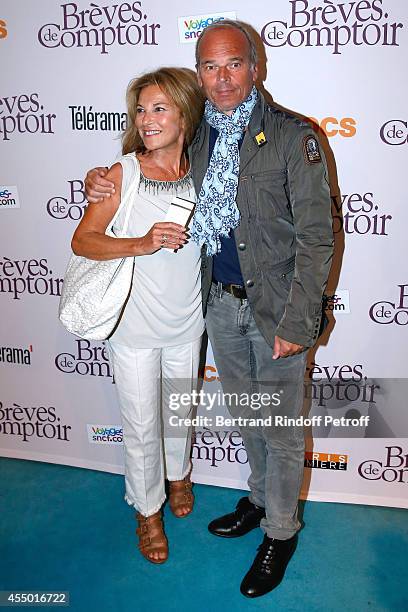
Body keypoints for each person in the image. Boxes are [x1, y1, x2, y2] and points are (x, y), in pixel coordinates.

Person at [85, 21, 334, 598]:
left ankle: (281, 529)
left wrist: (299, 323)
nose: (221, 79)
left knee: (280, 427)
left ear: (255, 66)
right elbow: (146, 158)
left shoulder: (295, 136)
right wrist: (101, 177)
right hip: (216, 306)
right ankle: (257, 499)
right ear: (199, 74)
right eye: (209, 67)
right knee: (250, 418)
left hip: (277, 312)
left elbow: (317, 239)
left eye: (233, 65)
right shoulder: (196, 136)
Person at [73, 67, 205, 565]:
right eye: (141, 109)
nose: (146, 119)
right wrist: (142, 243)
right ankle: (147, 511)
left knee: (178, 413)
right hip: (133, 326)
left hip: (188, 320)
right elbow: (83, 240)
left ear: (185, 112)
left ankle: (178, 477)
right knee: (142, 424)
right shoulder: (120, 174)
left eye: (159, 108)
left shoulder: (203, 167)